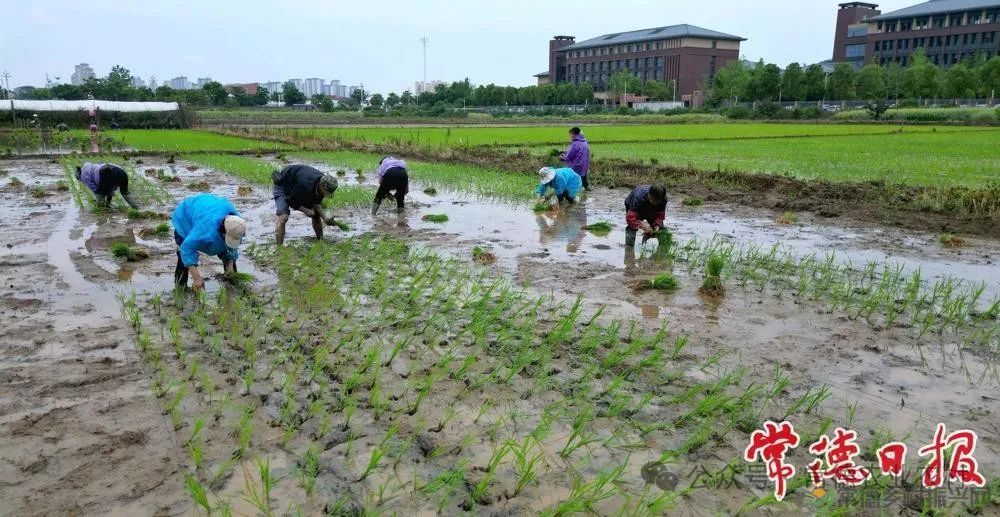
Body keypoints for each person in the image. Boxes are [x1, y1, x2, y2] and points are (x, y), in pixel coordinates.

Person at [171, 194, 246, 292]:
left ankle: (231, 287)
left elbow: (232, 247)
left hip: (211, 207)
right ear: (223, 231)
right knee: (183, 258)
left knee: (229, 260)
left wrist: (230, 265)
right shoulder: (204, 231)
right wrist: (196, 277)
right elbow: (187, 249)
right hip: (186, 215)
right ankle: (180, 290)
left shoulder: (237, 223)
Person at [271, 164, 339, 246]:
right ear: (321, 185)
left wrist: (325, 218)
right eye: (326, 192)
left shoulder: (322, 185)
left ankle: (321, 241)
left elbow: (316, 203)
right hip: (283, 185)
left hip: (296, 185)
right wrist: (306, 211)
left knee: (316, 214)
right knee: (283, 217)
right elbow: (290, 200)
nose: (326, 195)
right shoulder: (304, 184)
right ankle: (279, 249)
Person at [75, 162, 139, 209]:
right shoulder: (89, 166)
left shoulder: (83, 176)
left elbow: (95, 190)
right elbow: (109, 189)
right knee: (125, 193)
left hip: (106, 173)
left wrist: (99, 198)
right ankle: (136, 208)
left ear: (79, 176)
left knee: (100, 193)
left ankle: (101, 210)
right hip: (121, 172)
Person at [560, 127, 590, 191]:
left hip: (576, 165)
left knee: (572, 177)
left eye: (571, 134)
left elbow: (569, 156)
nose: (570, 136)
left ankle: (572, 190)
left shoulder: (575, 144)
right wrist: (565, 152)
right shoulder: (584, 142)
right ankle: (586, 187)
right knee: (583, 176)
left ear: (574, 134)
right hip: (584, 164)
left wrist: (562, 158)